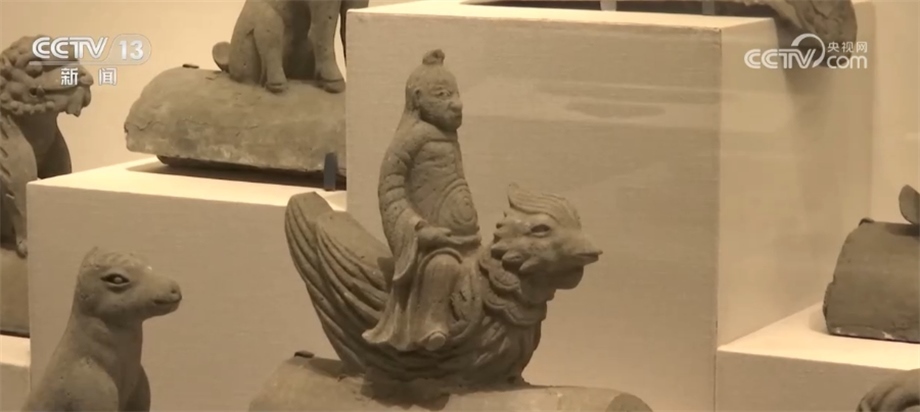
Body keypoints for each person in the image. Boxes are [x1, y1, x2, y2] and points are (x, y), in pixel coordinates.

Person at [362, 50, 481, 352]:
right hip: (434, 246)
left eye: (455, 94)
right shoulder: (411, 138)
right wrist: (419, 229)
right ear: (417, 99)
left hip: (466, 239)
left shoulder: (447, 137)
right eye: (442, 95)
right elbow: (390, 190)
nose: (457, 103)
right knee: (442, 267)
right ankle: (429, 324)